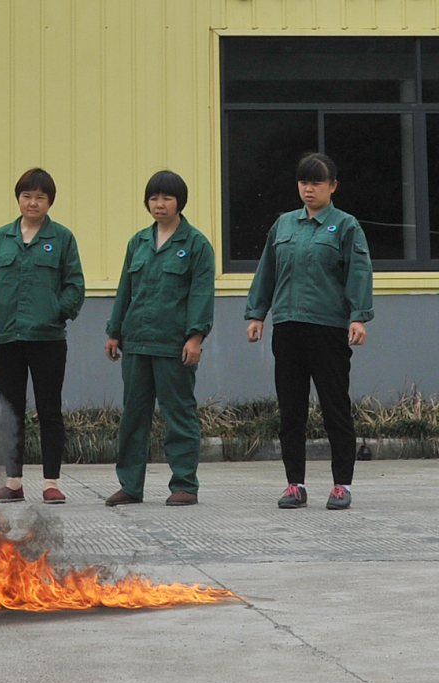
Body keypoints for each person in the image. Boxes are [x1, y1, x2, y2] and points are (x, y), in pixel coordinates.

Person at [244, 152, 373, 511]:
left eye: (316, 182)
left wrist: (359, 317)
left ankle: (341, 485)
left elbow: (359, 272)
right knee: (291, 410)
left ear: (333, 186)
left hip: (328, 328)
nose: (309, 189)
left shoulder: (346, 226)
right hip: (287, 327)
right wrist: (257, 314)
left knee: (335, 408)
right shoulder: (283, 225)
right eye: (303, 182)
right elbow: (267, 271)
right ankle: (294, 485)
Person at [104, 170, 214, 507]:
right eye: (153, 198)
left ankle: (184, 484)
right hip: (136, 342)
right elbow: (125, 289)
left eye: (167, 197)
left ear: (180, 202)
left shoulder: (195, 244)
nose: (159, 204)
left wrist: (195, 337)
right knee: (133, 416)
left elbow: (201, 293)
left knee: (179, 414)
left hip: (173, 344)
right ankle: (130, 486)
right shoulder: (137, 242)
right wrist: (114, 331)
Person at [0, 168, 85, 505]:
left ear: (49, 202)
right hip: (6, 337)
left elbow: (74, 283)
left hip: (47, 338)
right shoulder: (0, 239)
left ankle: (51, 482)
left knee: (49, 410)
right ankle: (13, 482)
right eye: (27, 196)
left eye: (40, 197)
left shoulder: (62, 238)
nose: (33, 202)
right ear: (18, 199)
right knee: (10, 412)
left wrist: (57, 311)